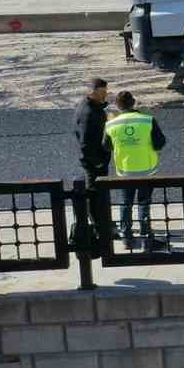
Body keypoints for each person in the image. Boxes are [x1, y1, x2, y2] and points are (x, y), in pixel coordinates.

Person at [102, 91, 169, 251]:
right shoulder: (148, 120)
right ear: (134, 102)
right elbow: (160, 142)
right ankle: (147, 239)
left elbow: (106, 146)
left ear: (118, 106)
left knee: (125, 204)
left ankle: (127, 238)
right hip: (147, 170)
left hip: (125, 171)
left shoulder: (111, 124)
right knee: (143, 204)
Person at [71, 78, 111, 248]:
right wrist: (98, 163)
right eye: (103, 92)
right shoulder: (88, 113)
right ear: (93, 92)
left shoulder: (87, 106)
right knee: (94, 196)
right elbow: (85, 144)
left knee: (95, 195)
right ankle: (98, 229)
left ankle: (101, 225)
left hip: (93, 159)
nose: (106, 95)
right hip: (93, 162)